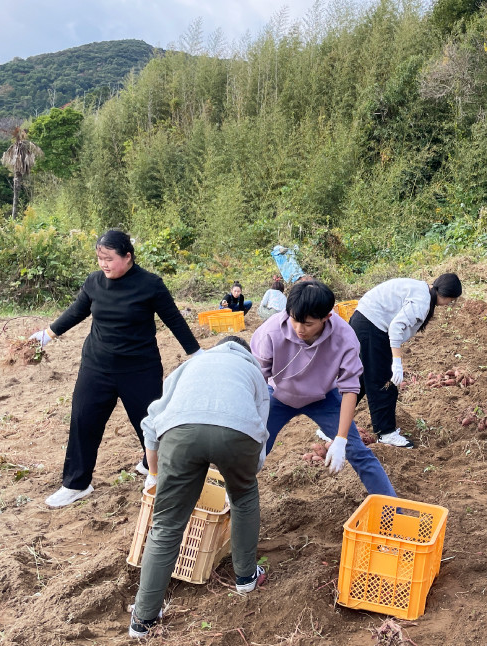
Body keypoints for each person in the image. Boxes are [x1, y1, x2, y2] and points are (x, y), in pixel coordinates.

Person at [30, 230, 202, 508]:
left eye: (109, 258)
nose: (103, 264)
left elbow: (173, 319)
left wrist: (196, 353)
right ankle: (76, 484)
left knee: (151, 425)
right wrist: (47, 334)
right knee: (83, 421)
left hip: (139, 369)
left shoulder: (150, 285)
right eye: (100, 258)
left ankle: (154, 469)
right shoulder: (94, 283)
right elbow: (76, 311)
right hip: (96, 366)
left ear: (128, 257)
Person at [128, 336, 269, 639]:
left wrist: (154, 474)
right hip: (237, 432)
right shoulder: (253, 371)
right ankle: (245, 577)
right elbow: (259, 428)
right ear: (247, 354)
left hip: (180, 433)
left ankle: (143, 618)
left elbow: (151, 423)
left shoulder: (191, 365)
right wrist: (243, 474)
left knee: (166, 525)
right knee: (243, 497)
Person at [249, 280, 396, 496]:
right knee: (252, 449)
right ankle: (230, 496)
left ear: (326, 317)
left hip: (323, 398)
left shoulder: (345, 337)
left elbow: (350, 389)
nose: (300, 329)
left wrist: (341, 439)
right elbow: (256, 380)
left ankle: (393, 512)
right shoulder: (271, 332)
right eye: (295, 321)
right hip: (277, 396)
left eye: (308, 324)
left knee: (357, 452)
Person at [350, 273, 463, 449]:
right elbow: (395, 328)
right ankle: (386, 433)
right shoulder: (422, 302)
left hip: (364, 321)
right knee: (385, 383)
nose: (449, 304)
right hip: (372, 326)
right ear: (449, 297)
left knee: (363, 379)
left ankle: (333, 421)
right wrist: (397, 362)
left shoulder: (423, 290)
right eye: (452, 301)